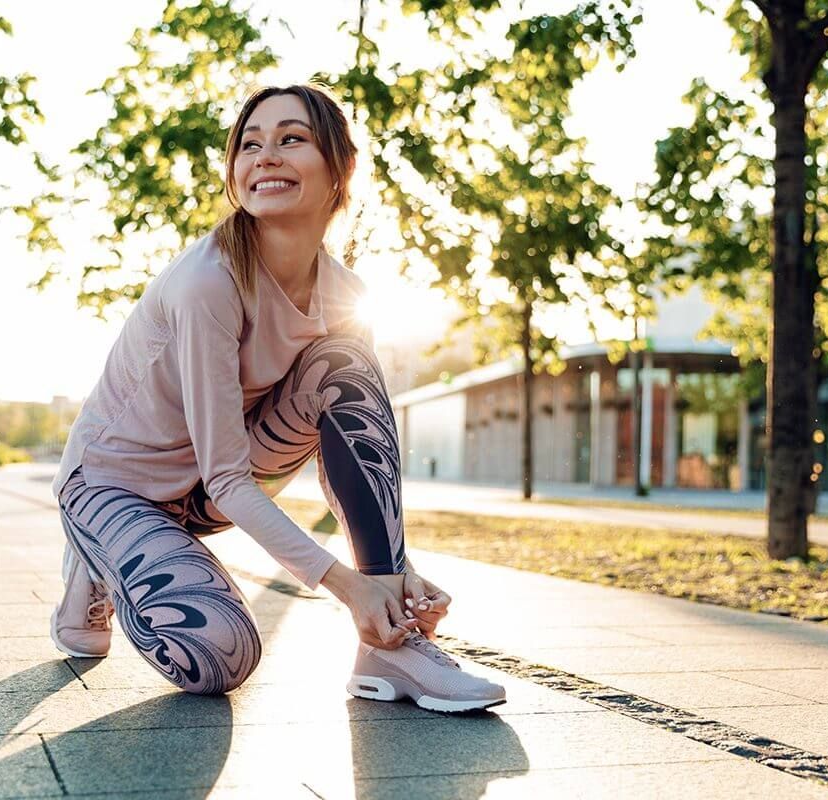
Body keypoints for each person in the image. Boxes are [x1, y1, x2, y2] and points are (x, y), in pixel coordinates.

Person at [51, 84, 505, 713]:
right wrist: (346, 586)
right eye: (249, 144)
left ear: (340, 169)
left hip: (207, 490)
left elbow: (346, 453)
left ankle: (389, 649)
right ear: (235, 174)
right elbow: (230, 477)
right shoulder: (207, 285)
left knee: (344, 364)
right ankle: (99, 555)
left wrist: (389, 579)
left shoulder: (346, 294)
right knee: (218, 654)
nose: (264, 155)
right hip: (114, 482)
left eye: (291, 139)